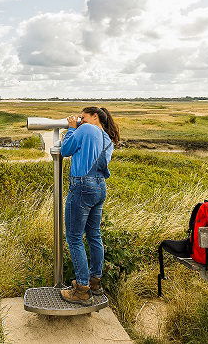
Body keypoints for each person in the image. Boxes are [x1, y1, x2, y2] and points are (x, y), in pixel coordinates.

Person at [59, 106, 120, 305]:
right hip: (100, 187)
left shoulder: (85, 130)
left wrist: (70, 128)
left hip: (82, 185)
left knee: (74, 237)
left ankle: (82, 289)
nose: (80, 120)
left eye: (83, 117)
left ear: (95, 117)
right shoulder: (108, 140)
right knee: (94, 235)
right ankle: (95, 281)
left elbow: (66, 150)